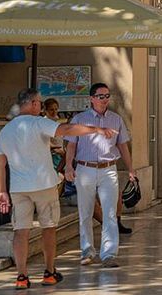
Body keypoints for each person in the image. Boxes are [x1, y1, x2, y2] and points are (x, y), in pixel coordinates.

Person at [0, 88, 116, 289]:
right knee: (49, 228)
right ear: (33, 103)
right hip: (44, 185)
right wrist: (96, 129)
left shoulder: (5, 131)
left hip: (18, 189)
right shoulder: (39, 122)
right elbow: (67, 130)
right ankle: (49, 272)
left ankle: (21, 277)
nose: (41, 107)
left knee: (20, 231)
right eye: (40, 103)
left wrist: (1, 191)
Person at [62, 83, 135, 268]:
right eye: (101, 96)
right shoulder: (79, 119)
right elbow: (71, 145)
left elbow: (123, 146)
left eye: (107, 96)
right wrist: (69, 166)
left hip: (108, 169)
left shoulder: (116, 119)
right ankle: (87, 251)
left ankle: (109, 254)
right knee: (85, 212)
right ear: (92, 98)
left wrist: (130, 169)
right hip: (84, 169)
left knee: (110, 213)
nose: (104, 100)